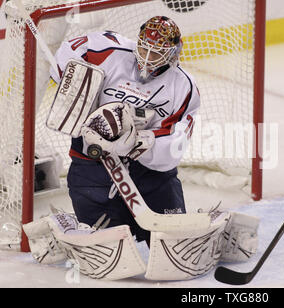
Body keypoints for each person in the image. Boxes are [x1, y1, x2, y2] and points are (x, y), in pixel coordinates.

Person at [50, 16, 198, 244]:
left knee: (172, 242)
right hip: (93, 168)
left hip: (150, 175)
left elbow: (174, 146)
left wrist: (135, 143)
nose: (147, 58)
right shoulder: (109, 51)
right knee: (105, 246)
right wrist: (75, 87)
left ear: (173, 53)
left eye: (157, 52)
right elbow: (69, 53)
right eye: (144, 48)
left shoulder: (183, 86)